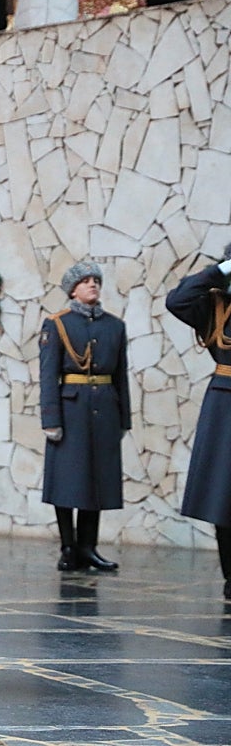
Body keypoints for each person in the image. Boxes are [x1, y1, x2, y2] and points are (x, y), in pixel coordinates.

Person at [38, 261, 130, 573]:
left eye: (96, 280)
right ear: (72, 289)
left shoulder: (114, 326)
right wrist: (51, 418)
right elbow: (48, 374)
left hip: (104, 410)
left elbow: (121, 376)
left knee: (97, 481)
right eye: (86, 281)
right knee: (66, 481)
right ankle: (68, 546)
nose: (93, 285)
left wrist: (124, 418)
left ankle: (88, 547)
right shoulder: (58, 324)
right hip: (70, 410)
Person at [165, 247, 231, 600]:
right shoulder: (216, 306)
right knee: (224, 495)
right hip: (225, 404)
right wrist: (220, 271)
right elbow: (177, 300)